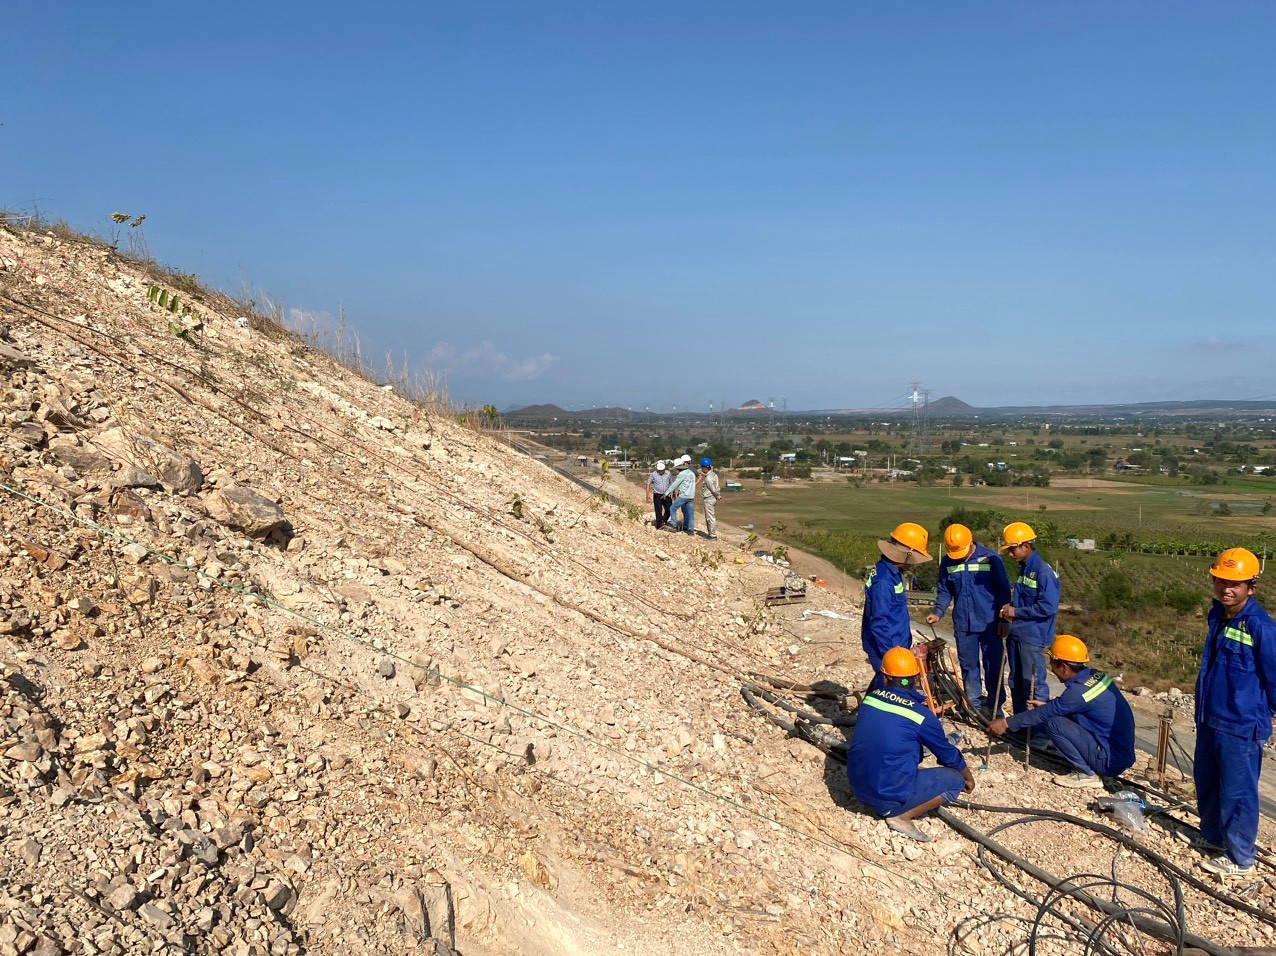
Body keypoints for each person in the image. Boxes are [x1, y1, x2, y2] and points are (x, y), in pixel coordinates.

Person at [1193, 548, 1276, 879]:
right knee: (1208, 780)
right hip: (1210, 715)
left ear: (1251, 588)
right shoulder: (1218, 616)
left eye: (1236, 584)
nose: (1227, 588)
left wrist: (1269, 711)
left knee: (1237, 790)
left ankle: (1241, 856)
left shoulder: (1261, 627)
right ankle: (1214, 837)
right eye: (1222, 581)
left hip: (1240, 724)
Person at [847, 647, 976, 841]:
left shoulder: (870, 700)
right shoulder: (920, 715)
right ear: (916, 679)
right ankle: (901, 815)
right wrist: (967, 777)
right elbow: (947, 754)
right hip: (885, 798)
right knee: (954, 780)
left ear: (884, 677)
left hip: (856, 786)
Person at [988, 635, 1134, 788]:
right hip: (1119, 755)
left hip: (1108, 761)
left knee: (1053, 723)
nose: (1052, 669)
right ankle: (1092, 764)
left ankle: (1087, 774)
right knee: (1059, 715)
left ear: (1064, 667)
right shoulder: (1096, 676)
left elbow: (1047, 713)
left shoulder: (1077, 692)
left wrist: (1006, 723)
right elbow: (1072, 705)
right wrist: (1048, 705)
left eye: (1052, 665)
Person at [927, 524, 1012, 716]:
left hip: (990, 621)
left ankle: (994, 705)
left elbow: (1003, 590)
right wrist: (938, 612)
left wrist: (1003, 620)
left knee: (994, 664)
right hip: (964, 624)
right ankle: (973, 704)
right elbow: (944, 590)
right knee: (968, 664)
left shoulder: (990, 558)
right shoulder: (948, 562)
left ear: (971, 542)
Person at [998, 521, 1060, 715]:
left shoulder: (1044, 573)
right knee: (1016, 681)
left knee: (1033, 683)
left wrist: (1017, 612)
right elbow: (1024, 600)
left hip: (1033, 637)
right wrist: (1011, 607)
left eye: (1012, 549)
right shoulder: (1024, 569)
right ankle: (1020, 724)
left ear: (1026, 546)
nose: (1010, 554)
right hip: (1018, 633)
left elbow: (1048, 607)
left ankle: (1037, 733)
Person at [861, 522, 932, 677]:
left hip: (896, 643)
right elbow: (879, 622)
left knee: (889, 687)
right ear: (907, 554)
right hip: (887, 648)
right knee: (893, 689)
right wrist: (894, 656)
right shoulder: (884, 581)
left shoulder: (890, 572)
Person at [665, 455, 697, 535]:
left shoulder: (682, 474)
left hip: (684, 496)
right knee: (690, 513)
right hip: (691, 496)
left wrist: (666, 493)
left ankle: (674, 526)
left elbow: (674, 485)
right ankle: (690, 530)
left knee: (672, 508)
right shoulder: (691, 473)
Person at [645, 461, 673, 530]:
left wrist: (673, 493)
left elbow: (671, 483)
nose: (661, 472)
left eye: (662, 471)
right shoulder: (653, 474)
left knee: (669, 509)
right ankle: (659, 525)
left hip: (667, 494)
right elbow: (648, 483)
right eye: (659, 471)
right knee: (658, 510)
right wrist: (647, 495)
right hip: (657, 494)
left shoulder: (668, 474)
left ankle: (664, 520)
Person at [698, 457, 721, 540]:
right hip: (712, 498)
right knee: (711, 516)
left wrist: (717, 495)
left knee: (709, 517)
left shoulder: (708, 478)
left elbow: (712, 489)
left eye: (702, 467)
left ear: (704, 468)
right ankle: (711, 533)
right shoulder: (713, 474)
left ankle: (712, 535)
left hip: (709, 498)